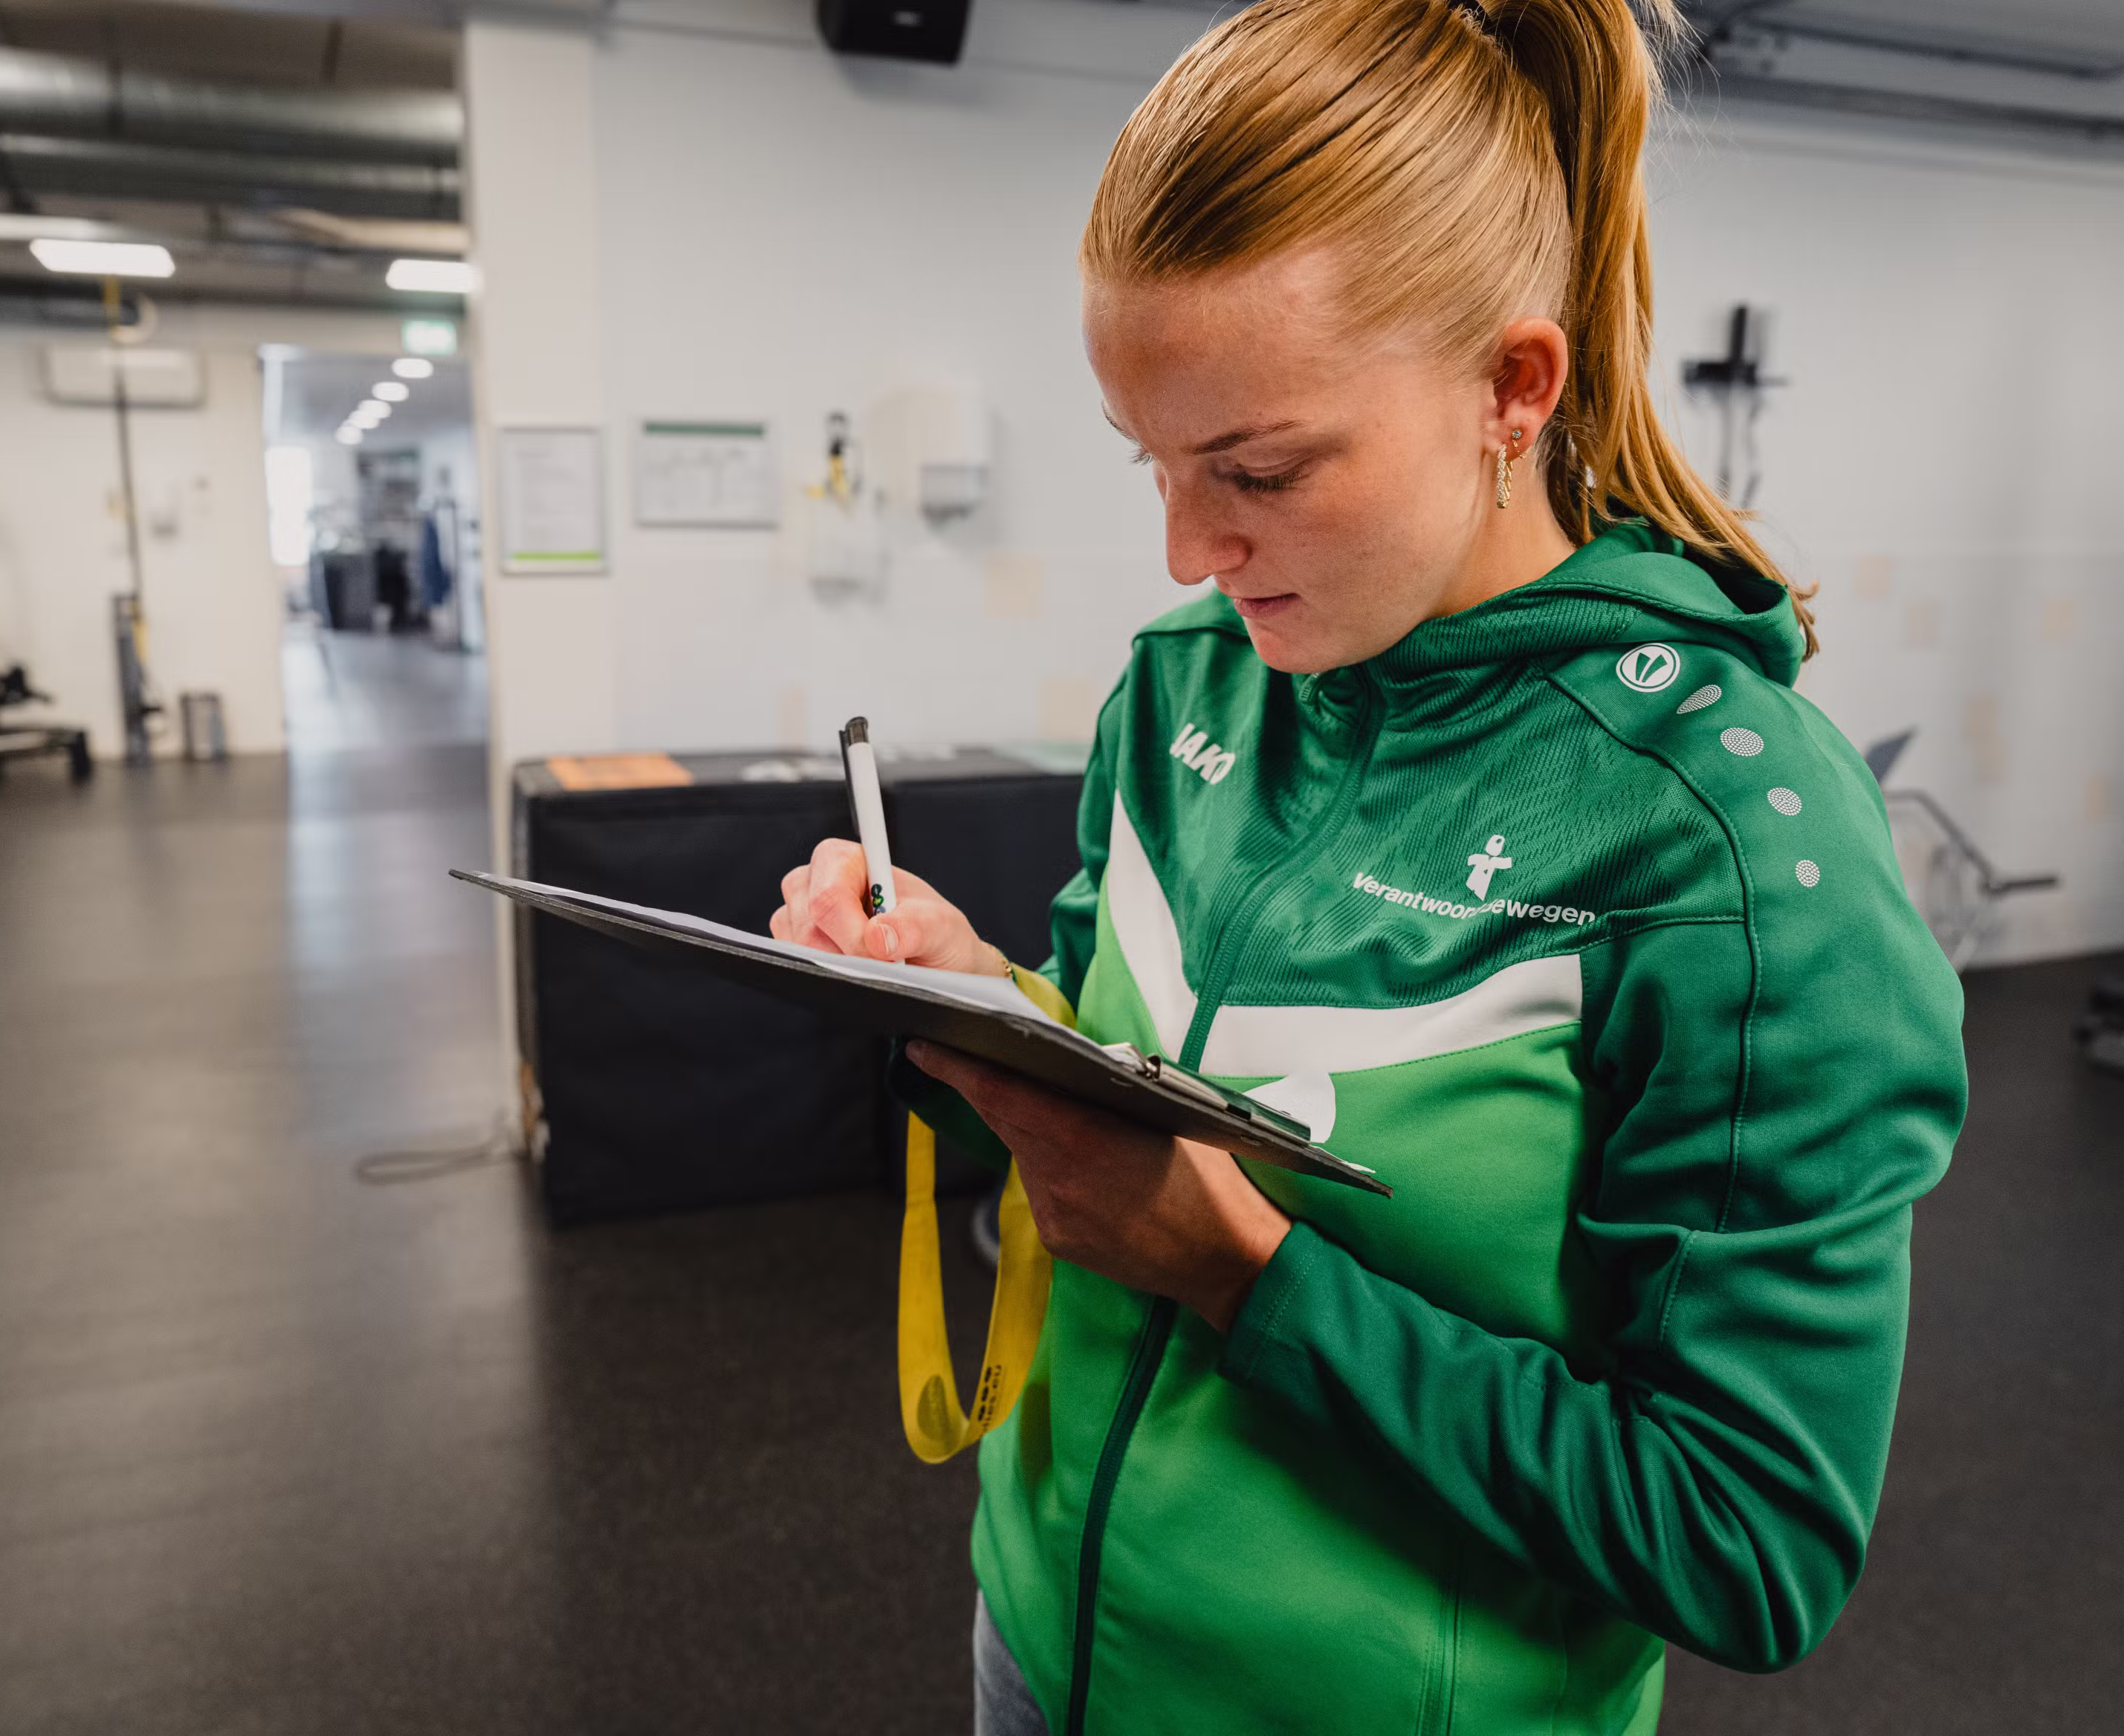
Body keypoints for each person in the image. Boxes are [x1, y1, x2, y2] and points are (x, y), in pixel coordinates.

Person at [769, 1, 1966, 1731]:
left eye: (1255, 469)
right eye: (1156, 464)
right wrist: (977, 1000)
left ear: (1510, 387)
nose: (1187, 546)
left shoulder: (1723, 839)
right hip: (1040, 1639)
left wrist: (1245, 1274)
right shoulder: (1188, 680)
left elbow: (1746, 1538)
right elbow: (1116, 1088)